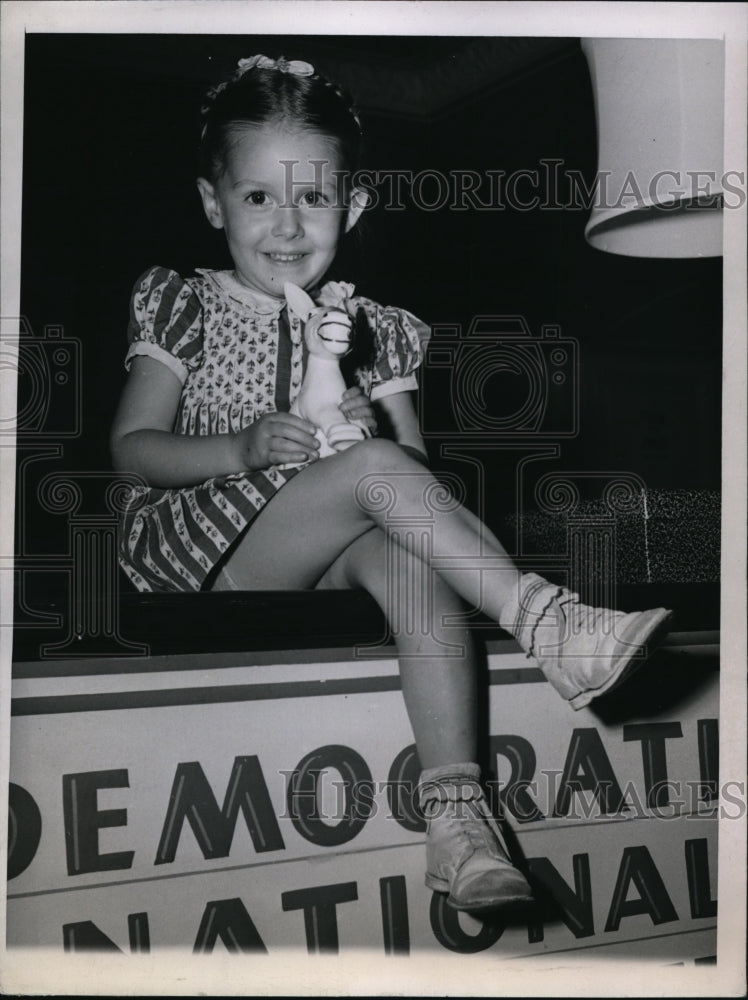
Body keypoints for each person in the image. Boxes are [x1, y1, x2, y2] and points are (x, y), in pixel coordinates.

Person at [110, 54, 672, 915]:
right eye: (258, 197)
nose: (289, 225)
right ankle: (545, 621)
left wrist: (371, 434)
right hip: (204, 555)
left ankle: (457, 821)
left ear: (354, 206)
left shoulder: (381, 331)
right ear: (212, 202)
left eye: (315, 197)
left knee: (415, 569)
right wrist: (241, 449)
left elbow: (416, 476)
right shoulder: (187, 303)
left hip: (323, 545)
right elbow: (132, 450)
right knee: (373, 476)